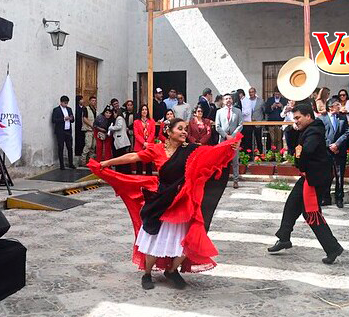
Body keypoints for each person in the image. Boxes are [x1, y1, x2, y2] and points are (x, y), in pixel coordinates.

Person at [89, 119, 241, 290]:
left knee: (187, 240)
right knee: (156, 239)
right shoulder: (157, 149)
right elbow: (133, 156)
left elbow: (212, 153)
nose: (184, 132)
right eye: (180, 129)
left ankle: (172, 270)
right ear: (169, 132)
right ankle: (147, 274)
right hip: (161, 200)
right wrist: (107, 163)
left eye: (186, 129)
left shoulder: (191, 149)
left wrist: (229, 147)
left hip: (182, 200)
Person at [267, 104, 344, 264]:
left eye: (298, 118)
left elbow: (306, 151)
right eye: (294, 118)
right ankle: (284, 238)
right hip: (310, 176)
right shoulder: (308, 129)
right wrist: (293, 131)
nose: (296, 121)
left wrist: (300, 160)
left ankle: (333, 247)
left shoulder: (315, 130)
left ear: (308, 116)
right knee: (292, 204)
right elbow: (295, 144)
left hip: (315, 178)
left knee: (311, 214)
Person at [318, 98, 349, 208]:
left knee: (339, 175)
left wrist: (337, 144)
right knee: (326, 175)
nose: (339, 106)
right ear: (330, 107)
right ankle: (325, 198)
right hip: (327, 151)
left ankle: (339, 198)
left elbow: (347, 132)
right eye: (337, 105)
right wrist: (329, 145)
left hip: (339, 151)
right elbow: (320, 135)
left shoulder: (342, 117)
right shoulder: (322, 119)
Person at [216, 93, 243, 189]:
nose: (228, 100)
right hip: (223, 139)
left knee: (235, 160)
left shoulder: (238, 111)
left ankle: (236, 180)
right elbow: (217, 126)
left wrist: (232, 136)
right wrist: (226, 136)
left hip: (234, 139)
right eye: (226, 98)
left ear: (232, 100)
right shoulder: (219, 112)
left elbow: (240, 125)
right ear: (223, 101)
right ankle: (222, 180)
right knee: (222, 160)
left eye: (230, 98)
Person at [51, 95, 76, 170]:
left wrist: (71, 118)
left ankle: (71, 163)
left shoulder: (69, 109)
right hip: (60, 131)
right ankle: (62, 164)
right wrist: (63, 119)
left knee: (70, 147)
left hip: (68, 131)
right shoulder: (56, 110)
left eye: (67, 103)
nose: (66, 104)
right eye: (65, 103)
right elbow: (54, 120)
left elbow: (72, 120)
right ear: (61, 102)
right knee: (61, 147)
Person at [133, 104, 156, 175]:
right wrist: (143, 143)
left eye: (146, 109)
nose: (144, 111)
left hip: (149, 146)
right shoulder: (136, 122)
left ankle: (149, 181)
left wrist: (147, 143)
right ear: (140, 111)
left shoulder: (152, 121)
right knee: (139, 165)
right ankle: (139, 182)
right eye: (143, 110)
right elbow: (136, 134)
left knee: (148, 165)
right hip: (139, 145)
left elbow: (152, 133)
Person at [109, 108, 132, 174]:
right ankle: (123, 170)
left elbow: (119, 126)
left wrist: (111, 128)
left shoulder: (119, 118)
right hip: (121, 141)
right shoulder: (122, 118)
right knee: (122, 156)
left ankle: (121, 171)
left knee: (120, 156)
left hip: (120, 141)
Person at [82, 96, 98, 165]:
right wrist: (91, 125)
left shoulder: (96, 110)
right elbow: (84, 118)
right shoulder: (86, 109)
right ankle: (83, 160)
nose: (94, 102)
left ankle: (91, 161)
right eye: (92, 100)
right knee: (88, 145)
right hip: (88, 130)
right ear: (90, 101)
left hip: (94, 130)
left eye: (95, 101)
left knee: (93, 146)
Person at [75, 95, 85, 159]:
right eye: (81, 99)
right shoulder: (76, 108)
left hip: (83, 126)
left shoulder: (84, 108)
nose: (83, 100)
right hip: (78, 126)